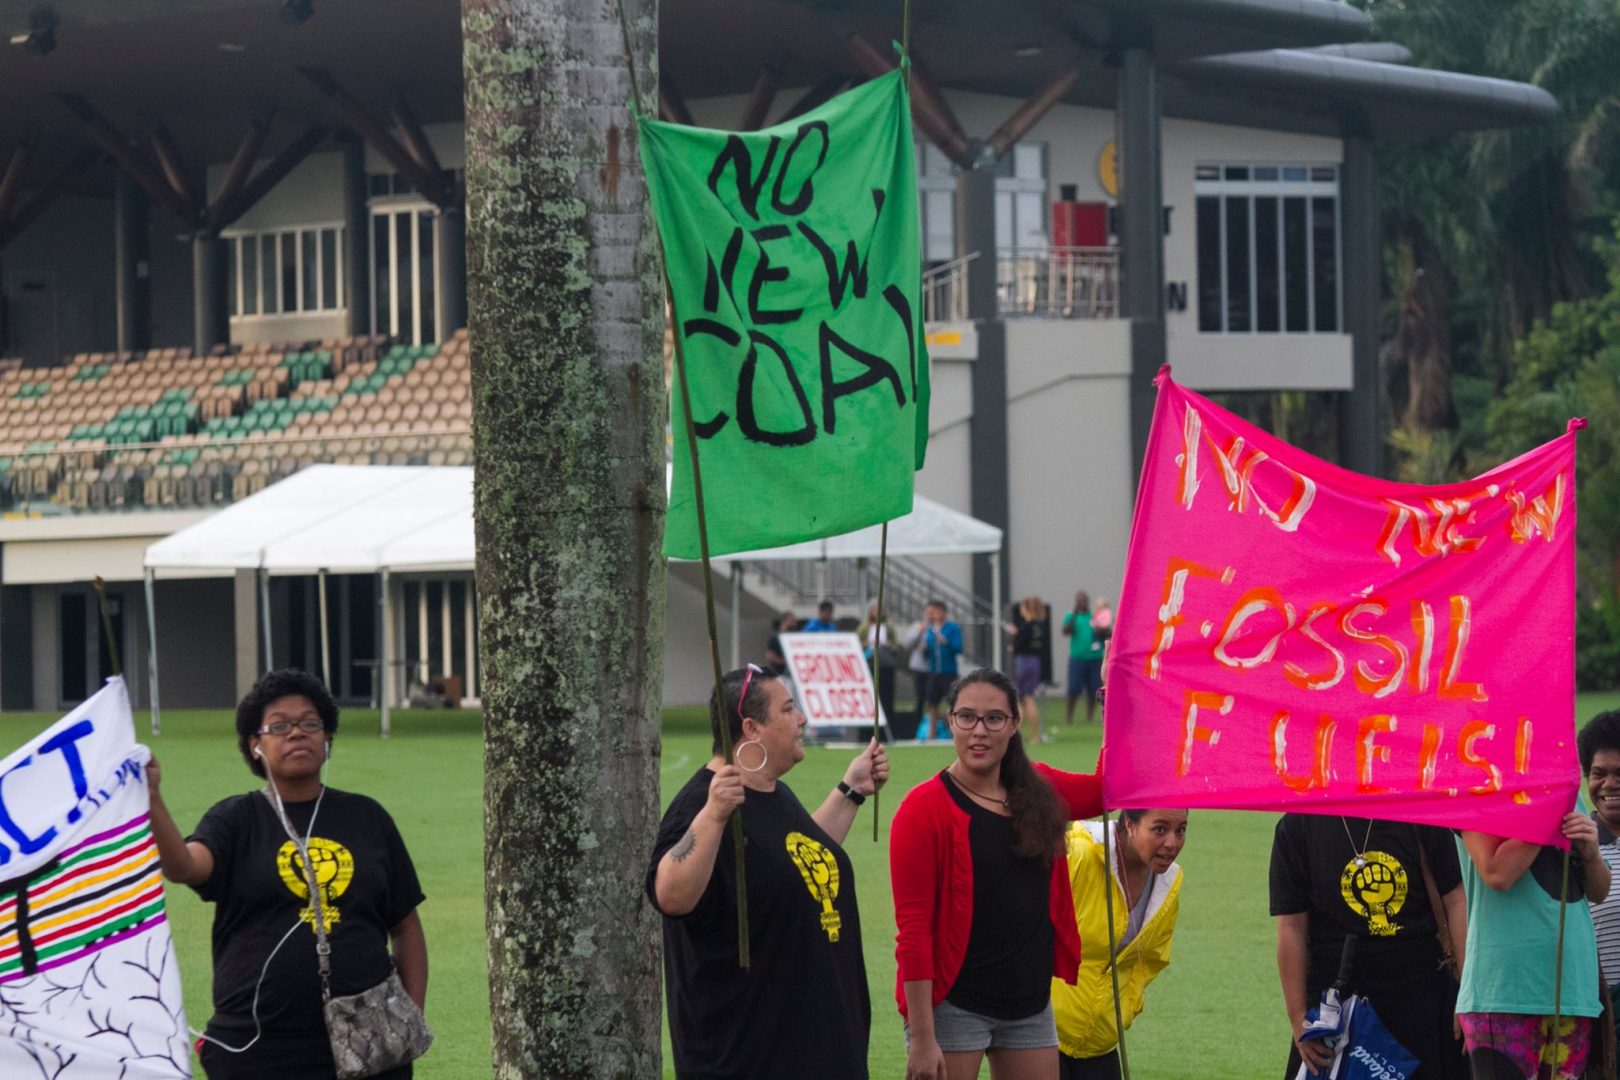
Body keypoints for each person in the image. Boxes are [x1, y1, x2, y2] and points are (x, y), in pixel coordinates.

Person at [147, 669, 428, 1079]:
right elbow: (185, 866)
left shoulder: (367, 817)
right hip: (258, 1046)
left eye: (310, 723)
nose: (297, 733)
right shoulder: (236, 819)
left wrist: (408, 1016)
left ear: (327, 738)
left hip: (368, 1042)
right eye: (279, 725)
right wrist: (152, 798)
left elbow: (405, 926)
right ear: (255, 746)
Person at [648, 664, 889, 1079]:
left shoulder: (773, 792)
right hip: (751, 1059)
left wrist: (851, 789)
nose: (802, 720)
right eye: (789, 709)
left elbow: (798, 860)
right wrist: (714, 814)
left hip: (818, 1051)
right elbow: (670, 894)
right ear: (751, 727)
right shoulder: (699, 805)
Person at [891, 668, 1104, 1080]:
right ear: (950, 720)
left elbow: (1105, 791)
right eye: (966, 717)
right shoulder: (922, 809)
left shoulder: (1038, 788)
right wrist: (922, 1037)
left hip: (1028, 1002)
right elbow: (913, 932)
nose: (979, 731)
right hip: (954, 1003)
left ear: (1015, 724)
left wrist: (1111, 696)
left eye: (994, 719)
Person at [1270, 814, 1468, 1080]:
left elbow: (1456, 900)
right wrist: (1298, 1018)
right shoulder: (1298, 824)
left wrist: (1468, 995)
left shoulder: (1421, 812)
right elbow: (1291, 925)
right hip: (1337, 1007)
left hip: (1421, 1001)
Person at [1456, 813, 1610, 1080]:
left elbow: (1598, 892)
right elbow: (1497, 873)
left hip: (1573, 990)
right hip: (1504, 990)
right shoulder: (1476, 791)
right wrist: (1549, 813)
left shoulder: (1568, 791)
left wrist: (1592, 854)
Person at [1053, 810, 1188, 1080]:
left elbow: (1150, 959)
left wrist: (1124, 1009)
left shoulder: (1170, 882)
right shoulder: (1078, 853)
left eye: (1181, 830)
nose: (1172, 843)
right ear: (1129, 824)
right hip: (1043, 1038)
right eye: (1160, 829)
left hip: (1102, 1043)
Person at [1580, 709, 1620, 1045]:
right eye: (1598, 773)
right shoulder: (1574, 845)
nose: (1609, 785)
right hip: (1601, 1008)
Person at [905, 599, 963, 742]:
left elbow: (958, 647)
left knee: (952, 702)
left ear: (944, 613)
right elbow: (927, 646)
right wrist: (926, 646)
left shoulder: (953, 628)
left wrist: (946, 642)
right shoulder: (931, 629)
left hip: (949, 671)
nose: (935, 615)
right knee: (932, 702)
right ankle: (931, 734)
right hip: (933, 672)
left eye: (938, 612)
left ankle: (955, 732)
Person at [1006, 596, 1051, 745]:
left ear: (1027, 609)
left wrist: (1014, 637)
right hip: (1035, 662)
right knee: (1029, 697)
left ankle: (1015, 735)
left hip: (1024, 662)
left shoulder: (1025, 626)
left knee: (1020, 698)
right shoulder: (1040, 626)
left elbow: (1018, 646)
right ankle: (1035, 735)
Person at [1061, 593, 1104, 726]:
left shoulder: (1094, 616)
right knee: (1073, 688)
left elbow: (1103, 633)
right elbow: (1066, 631)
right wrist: (1074, 615)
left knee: (1093, 689)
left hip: (1094, 658)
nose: (1082, 603)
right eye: (1080, 601)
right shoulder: (1071, 616)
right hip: (1077, 659)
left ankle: (1089, 717)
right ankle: (1069, 717)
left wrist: (1099, 628)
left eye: (1084, 601)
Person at [858, 601, 899, 739]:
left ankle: (887, 733)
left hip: (885, 666)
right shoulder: (864, 628)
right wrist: (866, 644)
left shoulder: (888, 628)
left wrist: (888, 645)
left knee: (886, 699)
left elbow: (895, 647)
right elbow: (857, 643)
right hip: (869, 666)